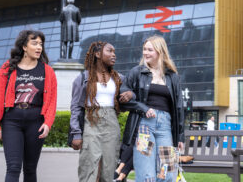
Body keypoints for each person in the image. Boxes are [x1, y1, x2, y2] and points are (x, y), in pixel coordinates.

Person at [0, 30, 57, 182]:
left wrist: (48, 122)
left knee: (30, 169)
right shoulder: (8, 68)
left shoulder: (47, 71)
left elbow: (52, 100)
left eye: (41, 44)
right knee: (13, 167)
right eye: (34, 43)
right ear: (24, 47)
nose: (39, 47)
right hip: (12, 121)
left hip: (36, 122)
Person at [120, 35, 184, 182]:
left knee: (168, 172)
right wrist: (142, 108)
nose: (145, 53)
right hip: (144, 126)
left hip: (165, 127)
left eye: (150, 50)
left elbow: (179, 106)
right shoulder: (137, 72)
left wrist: (180, 136)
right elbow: (122, 97)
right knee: (146, 175)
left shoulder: (172, 76)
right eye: (144, 49)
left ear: (160, 52)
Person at [70, 41, 133, 182]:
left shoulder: (119, 78)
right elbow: (75, 107)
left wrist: (130, 94)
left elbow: (133, 94)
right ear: (98, 54)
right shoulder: (83, 78)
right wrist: (76, 133)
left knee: (109, 169)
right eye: (109, 51)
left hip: (111, 125)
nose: (114, 55)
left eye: (114, 52)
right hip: (90, 123)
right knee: (88, 167)